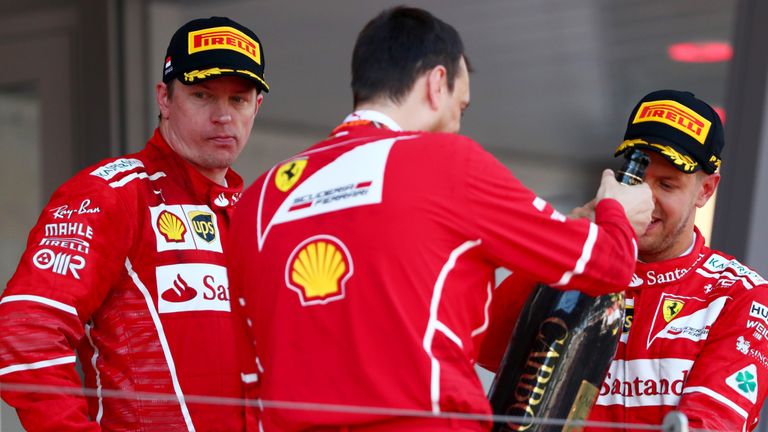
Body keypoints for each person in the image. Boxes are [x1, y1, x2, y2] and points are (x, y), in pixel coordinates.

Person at [227, 6, 652, 431]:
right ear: (437, 84)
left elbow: (247, 375)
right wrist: (618, 210)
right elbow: (607, 264)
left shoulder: (258, 197)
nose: (456, 126)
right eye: (460, 109)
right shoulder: (446, 163)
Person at [0, 16, 268, 431]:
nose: (223, 116)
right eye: (201, 95)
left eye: (239, 100)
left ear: (257, 107)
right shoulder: (113, 193)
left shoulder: (259, 214)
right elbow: (25, 330)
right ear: (164, 98)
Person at [479, 90, 768, 431]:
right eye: (635, 178)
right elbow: (477, 339)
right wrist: (573, 241)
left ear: (705, 190)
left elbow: (712, 424)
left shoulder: (740, 295)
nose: (644, 198)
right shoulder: (583, 266)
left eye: (667, 184)